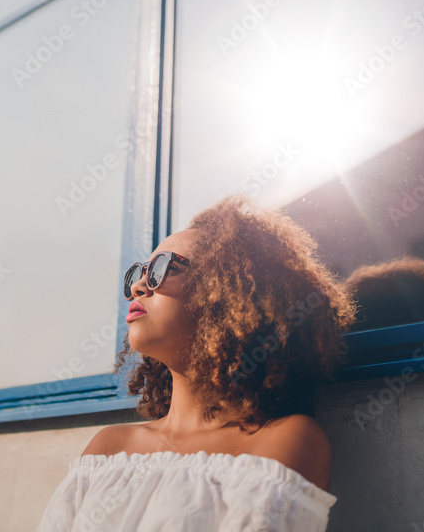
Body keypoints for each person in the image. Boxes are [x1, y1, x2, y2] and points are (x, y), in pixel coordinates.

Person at [36, 195, 357, 531]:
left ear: (226, 294)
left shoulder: (282, 442)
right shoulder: (109, 448)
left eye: (162, 268)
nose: (139, 287)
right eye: (140, 272)